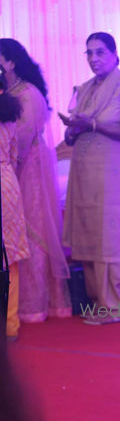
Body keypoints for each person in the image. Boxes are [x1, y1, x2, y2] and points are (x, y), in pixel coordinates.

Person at [61, 33, 120, 325]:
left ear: (114, 54)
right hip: (84, 175)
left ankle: (116, 306)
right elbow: (72, 133)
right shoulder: (84, 88)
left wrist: (93, 124)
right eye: (89, 53)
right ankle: (98, 302)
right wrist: (72, 129)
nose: (94, 59)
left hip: (113, 177)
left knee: (111, 236)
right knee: (88, 234)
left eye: (100, 52)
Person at [0, 39, 70, 323]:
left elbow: (22, 138)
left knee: (30, 229)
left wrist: (6, 169)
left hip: (28, 167)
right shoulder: (8, 93)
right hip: (11, 166)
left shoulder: (28, 94)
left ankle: (34, 305)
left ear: (11, 62)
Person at [0, 89, 30, 340]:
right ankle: (10, 326)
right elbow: (13, 157)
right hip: (7, 185)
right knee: (9, 257)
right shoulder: (8, 119)